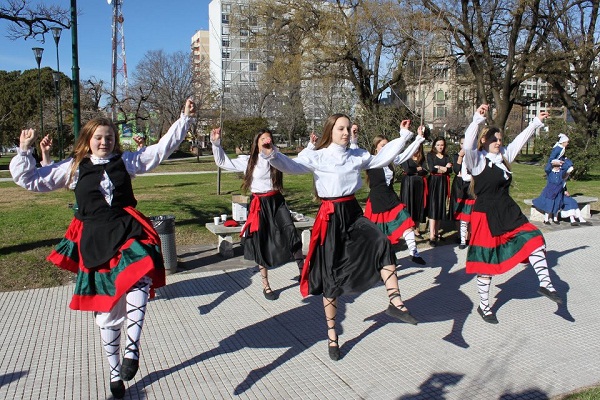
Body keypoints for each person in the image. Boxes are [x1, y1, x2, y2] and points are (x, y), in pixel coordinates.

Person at [10, 99, 196, 399]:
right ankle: (114, 371)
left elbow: (160, 150)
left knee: (142, 269)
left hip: (126, 230)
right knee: (107, 313)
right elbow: (32, 180)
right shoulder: (72, 168)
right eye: (98, 137)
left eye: (109, 137)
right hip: (95, 240)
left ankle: (132, 350)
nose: (104, 142)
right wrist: (24, 151)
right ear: (88, 140)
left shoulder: (127, 162)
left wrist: (184, 120)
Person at [260, 114, 419, 361]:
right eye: (340, 129)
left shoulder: (357, 155)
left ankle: (395, 302)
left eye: (347, 128)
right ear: (331, 131)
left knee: (382, 243)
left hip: (353, 213)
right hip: (331, 218)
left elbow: (382, 159)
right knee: (331, 279)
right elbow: (291, 166)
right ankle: (332, 335)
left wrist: (404, 136)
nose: (345, 133)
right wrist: (271, 154)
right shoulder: (319, 156)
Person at [463, 104, 562, 324]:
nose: (498, 142)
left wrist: (535, 123)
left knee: (535, 239)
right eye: (493, 139)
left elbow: (519, 141)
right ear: (484, 141)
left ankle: (545, 284)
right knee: (486, 262)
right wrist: (477, 120)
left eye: (499, 139)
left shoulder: (504, 156)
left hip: (508, 211)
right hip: (485, 215)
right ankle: (484, 305)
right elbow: (468, 143)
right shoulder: (476, 160)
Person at [210, 127, 304, 300]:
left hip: (276, 201)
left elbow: (296, 164)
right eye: (263, 139)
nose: (267, 141)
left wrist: (311, 147)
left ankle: (304, 275)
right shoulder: (249, 161)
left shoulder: (277, 157)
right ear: (257, 143)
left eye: (269, 139)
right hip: (259, 204)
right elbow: (223, 162)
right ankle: (266, 286)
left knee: (291, 232)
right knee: (262, 242)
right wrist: (216, 144)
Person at [364, 131, 426, 265]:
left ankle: (413, 252)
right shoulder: (370, 160)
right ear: (376, 147)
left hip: (391, 198)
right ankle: (384, 260)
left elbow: (406, 155)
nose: (386, 148)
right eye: (382, 146)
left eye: (388, 146)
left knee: (406, 221)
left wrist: (418, 140)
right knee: (380, 235)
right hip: (377, 201)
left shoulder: (391, 160)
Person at [532, 158, 591, 227]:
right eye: (556, 166)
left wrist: (564, 160)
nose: (557, 167)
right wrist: (551, 161)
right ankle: (546, 219)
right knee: (549, 204)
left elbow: (569, 167)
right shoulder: (550, 172)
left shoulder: (561, 172)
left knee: (559, 204)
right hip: (550, 192)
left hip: (559, 192)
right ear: (553, 166)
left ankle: (558, 218)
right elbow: (547, 168)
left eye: (558, 166)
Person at [426, 137, 452, 247]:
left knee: (441, 206)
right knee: (433, 207)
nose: (440, 147)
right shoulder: (430, 155)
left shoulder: (446, 156)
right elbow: (432, 169)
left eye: (442, 145)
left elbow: (450, 170)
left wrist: (441, 168)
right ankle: (431, 235)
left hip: (443, 183)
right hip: (434, 183)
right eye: (438, 145)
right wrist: (444, 168)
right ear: (434, 145)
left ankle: (437, 233)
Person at [449, 136, 474, 249]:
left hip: (473, 186)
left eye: (466, 143)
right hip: (460, 186)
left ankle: (471, 237)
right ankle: (462, 239)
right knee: (462, 213)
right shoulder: (457, 156)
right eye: (462, 143)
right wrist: (460, 156)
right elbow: (456, 170)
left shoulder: (474, 155)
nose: (464, 146)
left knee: (473, 214)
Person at [399, 143, 429, 238]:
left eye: (418, 148)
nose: (416, 150)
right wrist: (417, 169)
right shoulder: (405, 157)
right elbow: (407, 170)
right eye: (414, 148)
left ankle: (416, 228)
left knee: (418, 205)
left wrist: (415, 170)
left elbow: (425, 170)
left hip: (419, 184)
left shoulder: (422, 158)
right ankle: (408, 228)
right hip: (408, 184)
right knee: (409, 205)